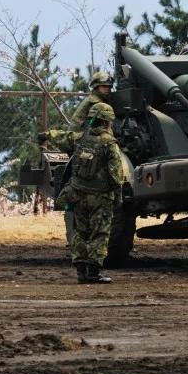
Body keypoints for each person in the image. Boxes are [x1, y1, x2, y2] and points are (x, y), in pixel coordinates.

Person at [56, 102, 125, 284]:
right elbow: (116, 174)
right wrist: (118, 195)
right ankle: (93, 273)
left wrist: (46, 136)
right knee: (100, 233)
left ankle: (81, 272)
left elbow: (63, 140)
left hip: (78, 193)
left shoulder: (81, 139)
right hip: (100, 197)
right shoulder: (109, 143)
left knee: (80, 231)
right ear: (107, 122)